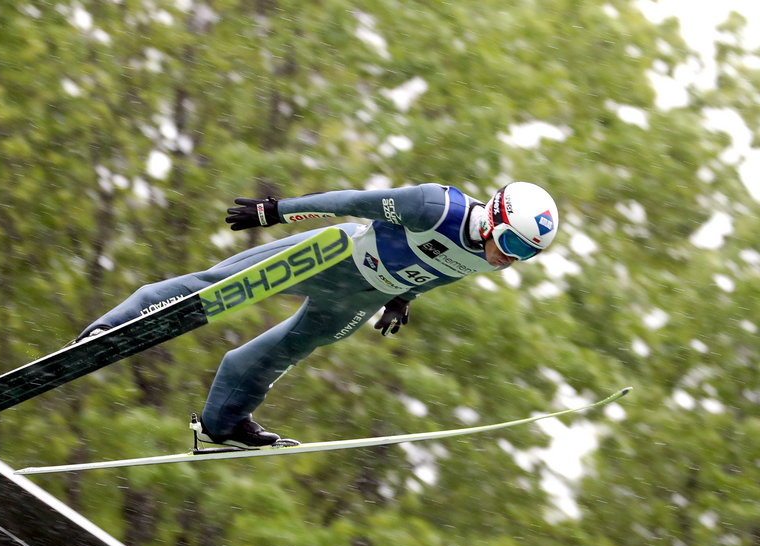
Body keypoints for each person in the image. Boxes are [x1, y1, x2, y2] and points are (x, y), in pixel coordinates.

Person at [76, 181, 559, 449]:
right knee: (217, 287)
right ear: (495, 215)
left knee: (290, 347)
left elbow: (437, 268)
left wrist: (401, 299)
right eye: (513, 243)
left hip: (361, 296)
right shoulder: (434, 207)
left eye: (526, 255)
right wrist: (275, 211)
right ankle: (112, 326)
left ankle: (223, 423)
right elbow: (349, 202)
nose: (510, 259)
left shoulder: (490, 255)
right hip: (335, 258)